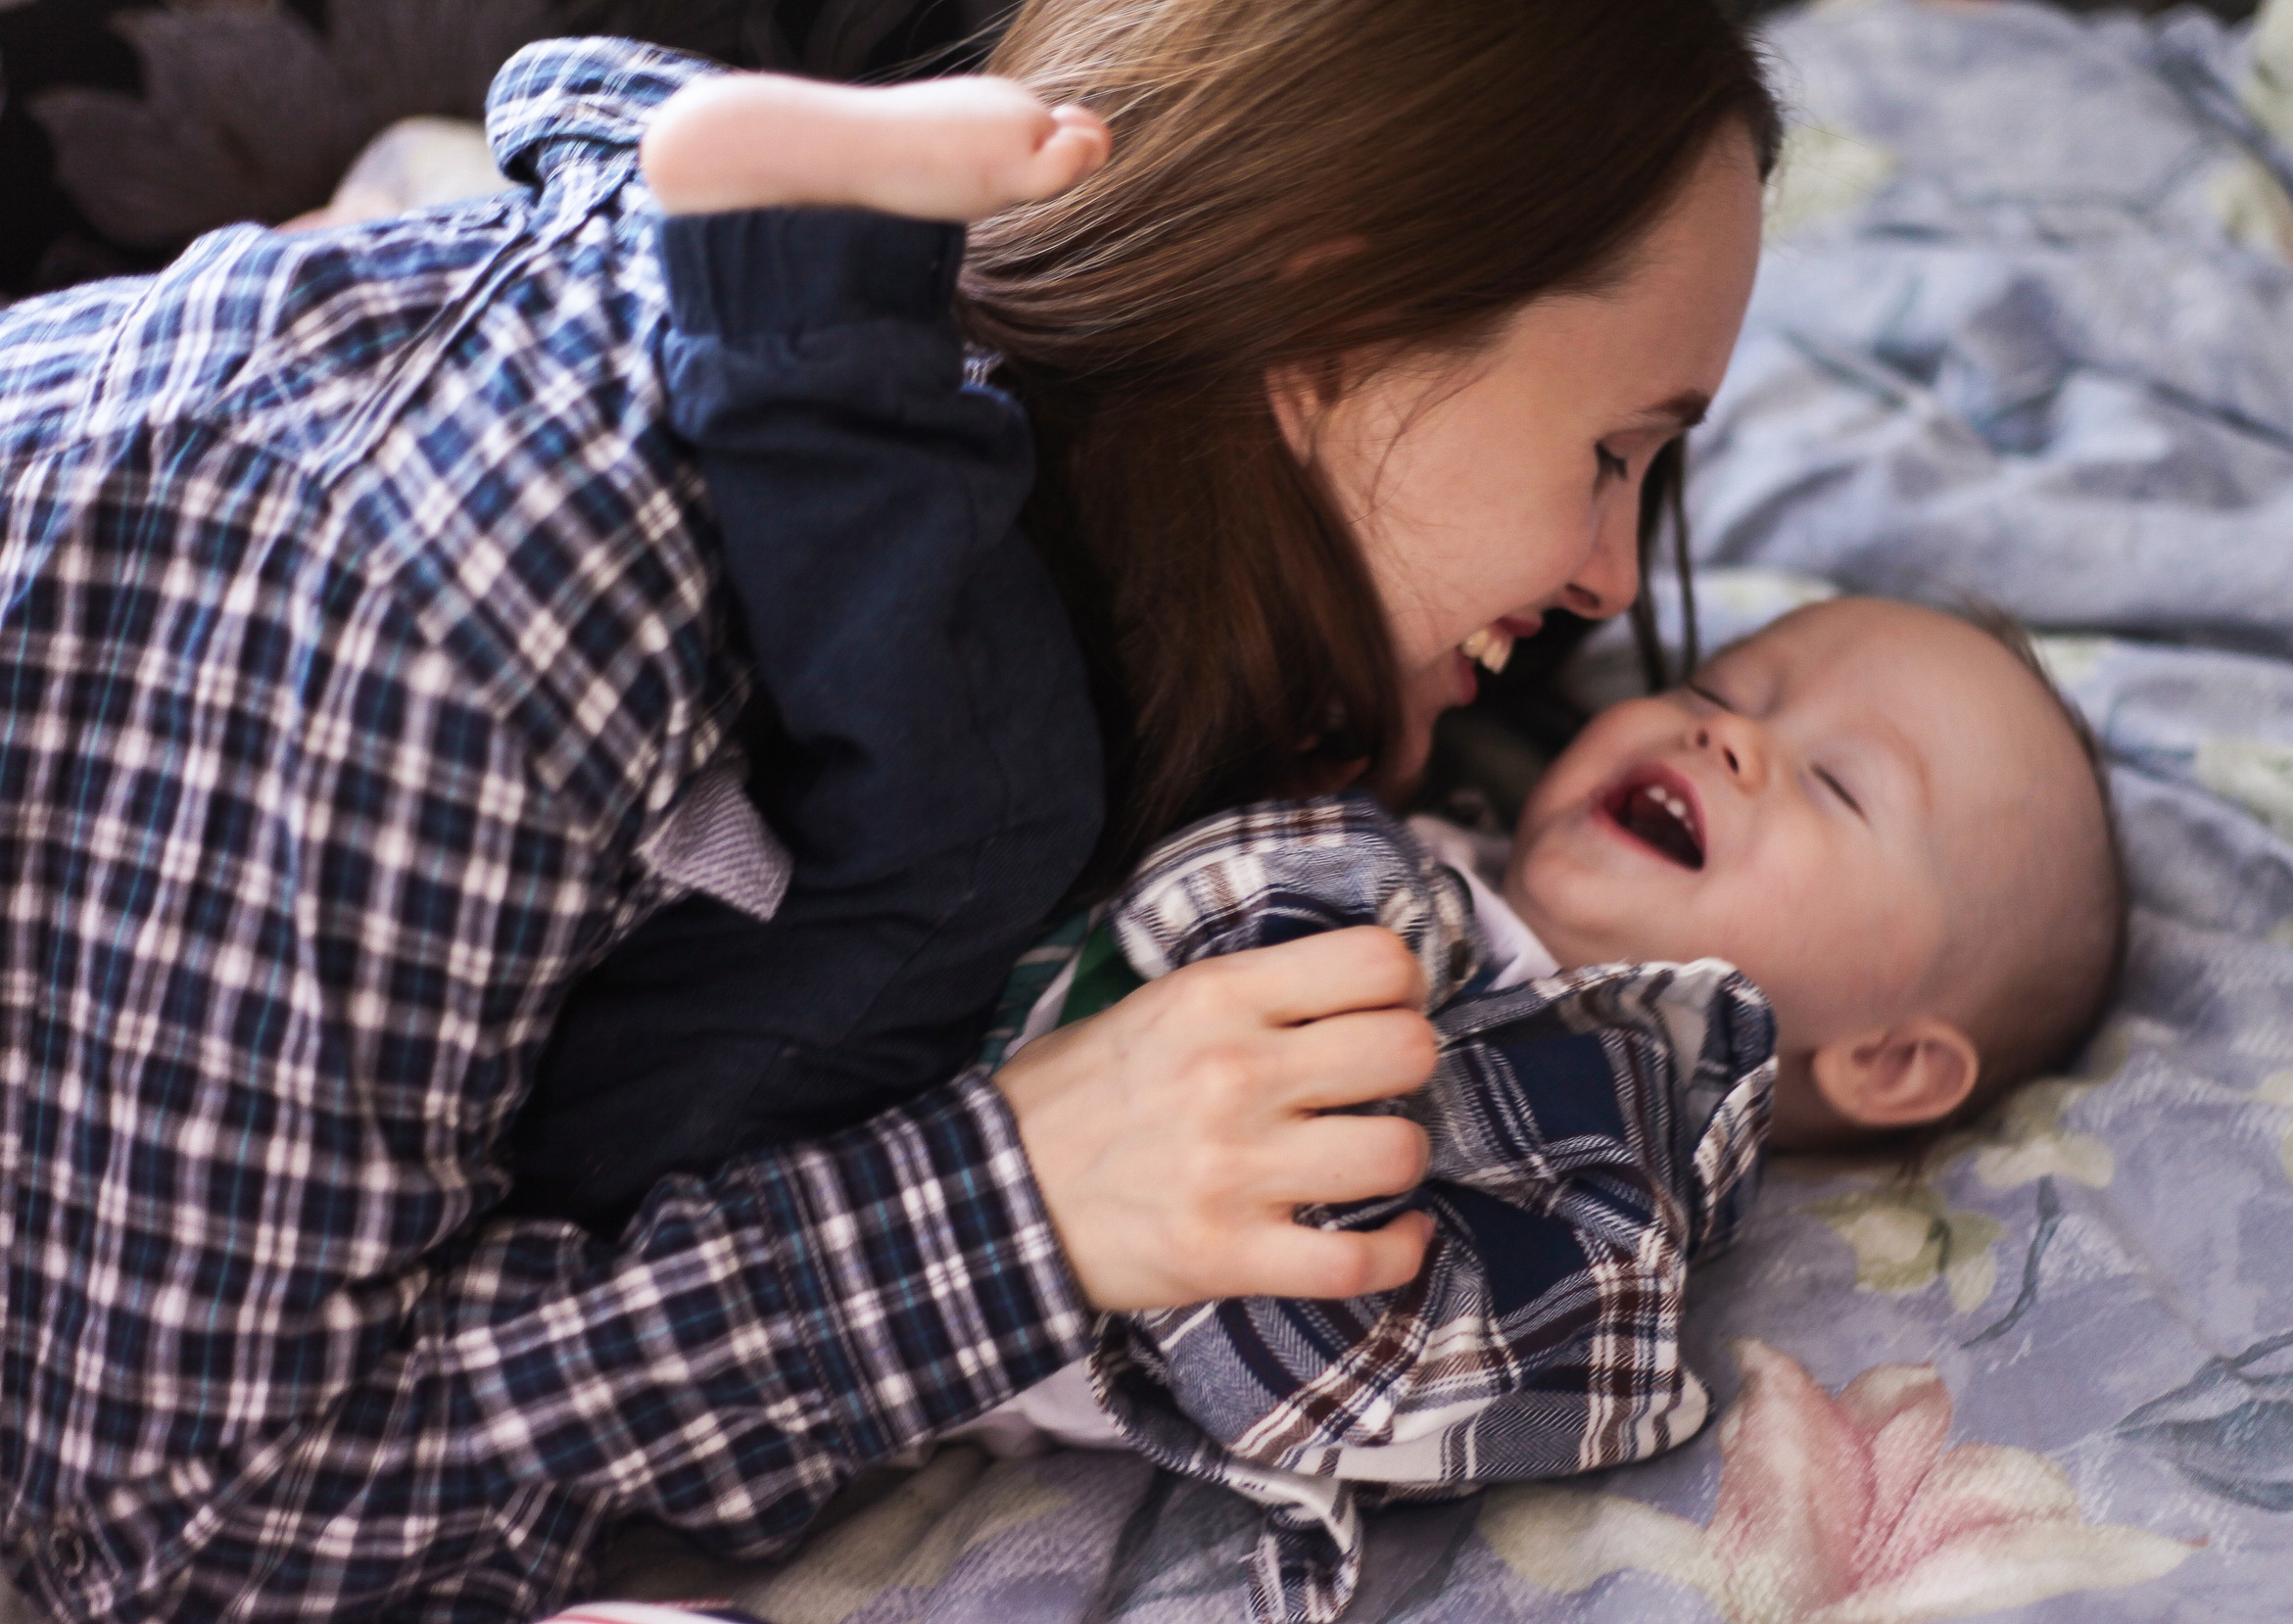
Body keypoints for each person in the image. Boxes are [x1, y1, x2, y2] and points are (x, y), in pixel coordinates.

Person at [0, 3, 1778, 1618]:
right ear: (1339, 326)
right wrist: (1015, 1203)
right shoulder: (482, 607)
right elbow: (163, 1525)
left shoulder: (1030, 578)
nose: (1613, 577)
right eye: (1615, 451)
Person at [924, 596, 2125, 1622]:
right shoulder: (1452, 862)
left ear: (1890, 1061)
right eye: (1719, 686)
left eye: (1838, 783)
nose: (1729, 735)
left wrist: (1288, 898)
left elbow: (1344, 1376)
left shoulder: (1600, 1189)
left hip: (935, 1262)